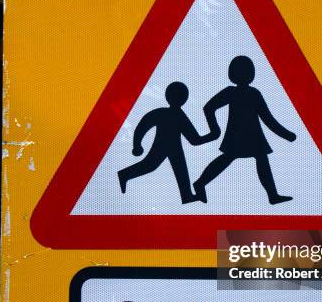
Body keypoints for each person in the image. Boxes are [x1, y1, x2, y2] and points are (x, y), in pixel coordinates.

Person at [193, 55, 296, 204]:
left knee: (257, 159)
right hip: (239, 136)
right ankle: (200, 183)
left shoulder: (251, 93)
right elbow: (209, 108)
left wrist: (286, 134)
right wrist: (215, 129)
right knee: (230, 159)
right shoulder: (236, 92)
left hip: (252, 136)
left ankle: (272, 195)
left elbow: (267, 118)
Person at [117, 81, 213, 203]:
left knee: (179, 170)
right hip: (162, 147)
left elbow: (194, 139)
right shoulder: (167, 113)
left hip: (174, 148)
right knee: (151, 165)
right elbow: (143, 125)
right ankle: (124, 174)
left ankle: (187, 195)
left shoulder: (174, 114)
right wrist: (137, 145)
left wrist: (211, 136)